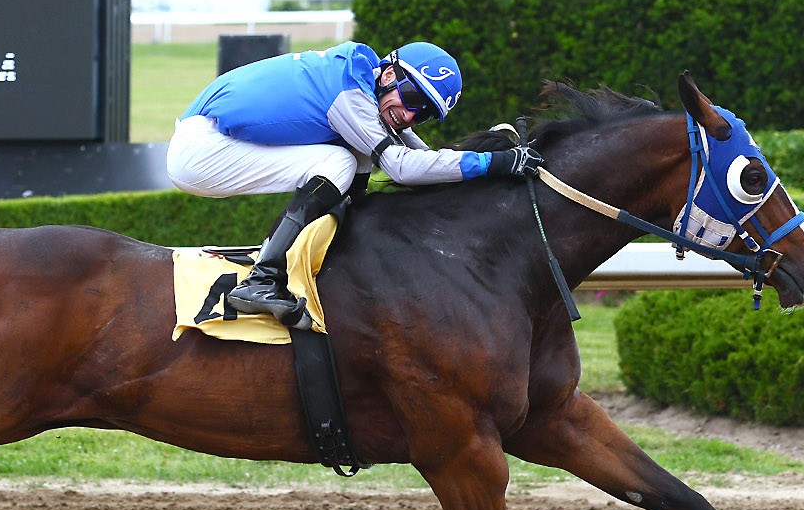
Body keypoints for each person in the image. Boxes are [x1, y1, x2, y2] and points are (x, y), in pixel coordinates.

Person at [166, 39, 543, 329]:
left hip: (212, 139)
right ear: (391, 74)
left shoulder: (365, 84)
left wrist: (486, 160)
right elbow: (402, 167)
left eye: (424, 113)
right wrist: (493, 163)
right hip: (201, 150)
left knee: (357, 155)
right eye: (412, 99)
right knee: (341, 159)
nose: (410, 115)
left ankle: (337, 255)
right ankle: (261, 279)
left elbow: (421, 155)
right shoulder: (349, 95)